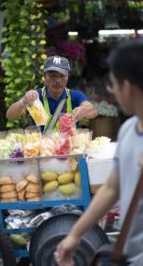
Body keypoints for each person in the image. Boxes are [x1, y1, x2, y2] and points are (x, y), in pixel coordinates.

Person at [55, 39, 143, 266]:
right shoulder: (127, 130)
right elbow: (112, 188)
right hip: (130, 254)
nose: (112, 92)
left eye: (113, 85)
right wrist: (76, 234)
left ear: (128, 86)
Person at [6, 55, 98, 130]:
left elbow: (93, 111)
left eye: (62, 76)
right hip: (42, 149)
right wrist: (23, 102)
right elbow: (10, 115)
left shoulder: (75, 96)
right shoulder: (35, 97)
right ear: (45, 76)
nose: (58, 80)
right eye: (53, 76)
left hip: (69, 149)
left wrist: (83, 110)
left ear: (68, 76)